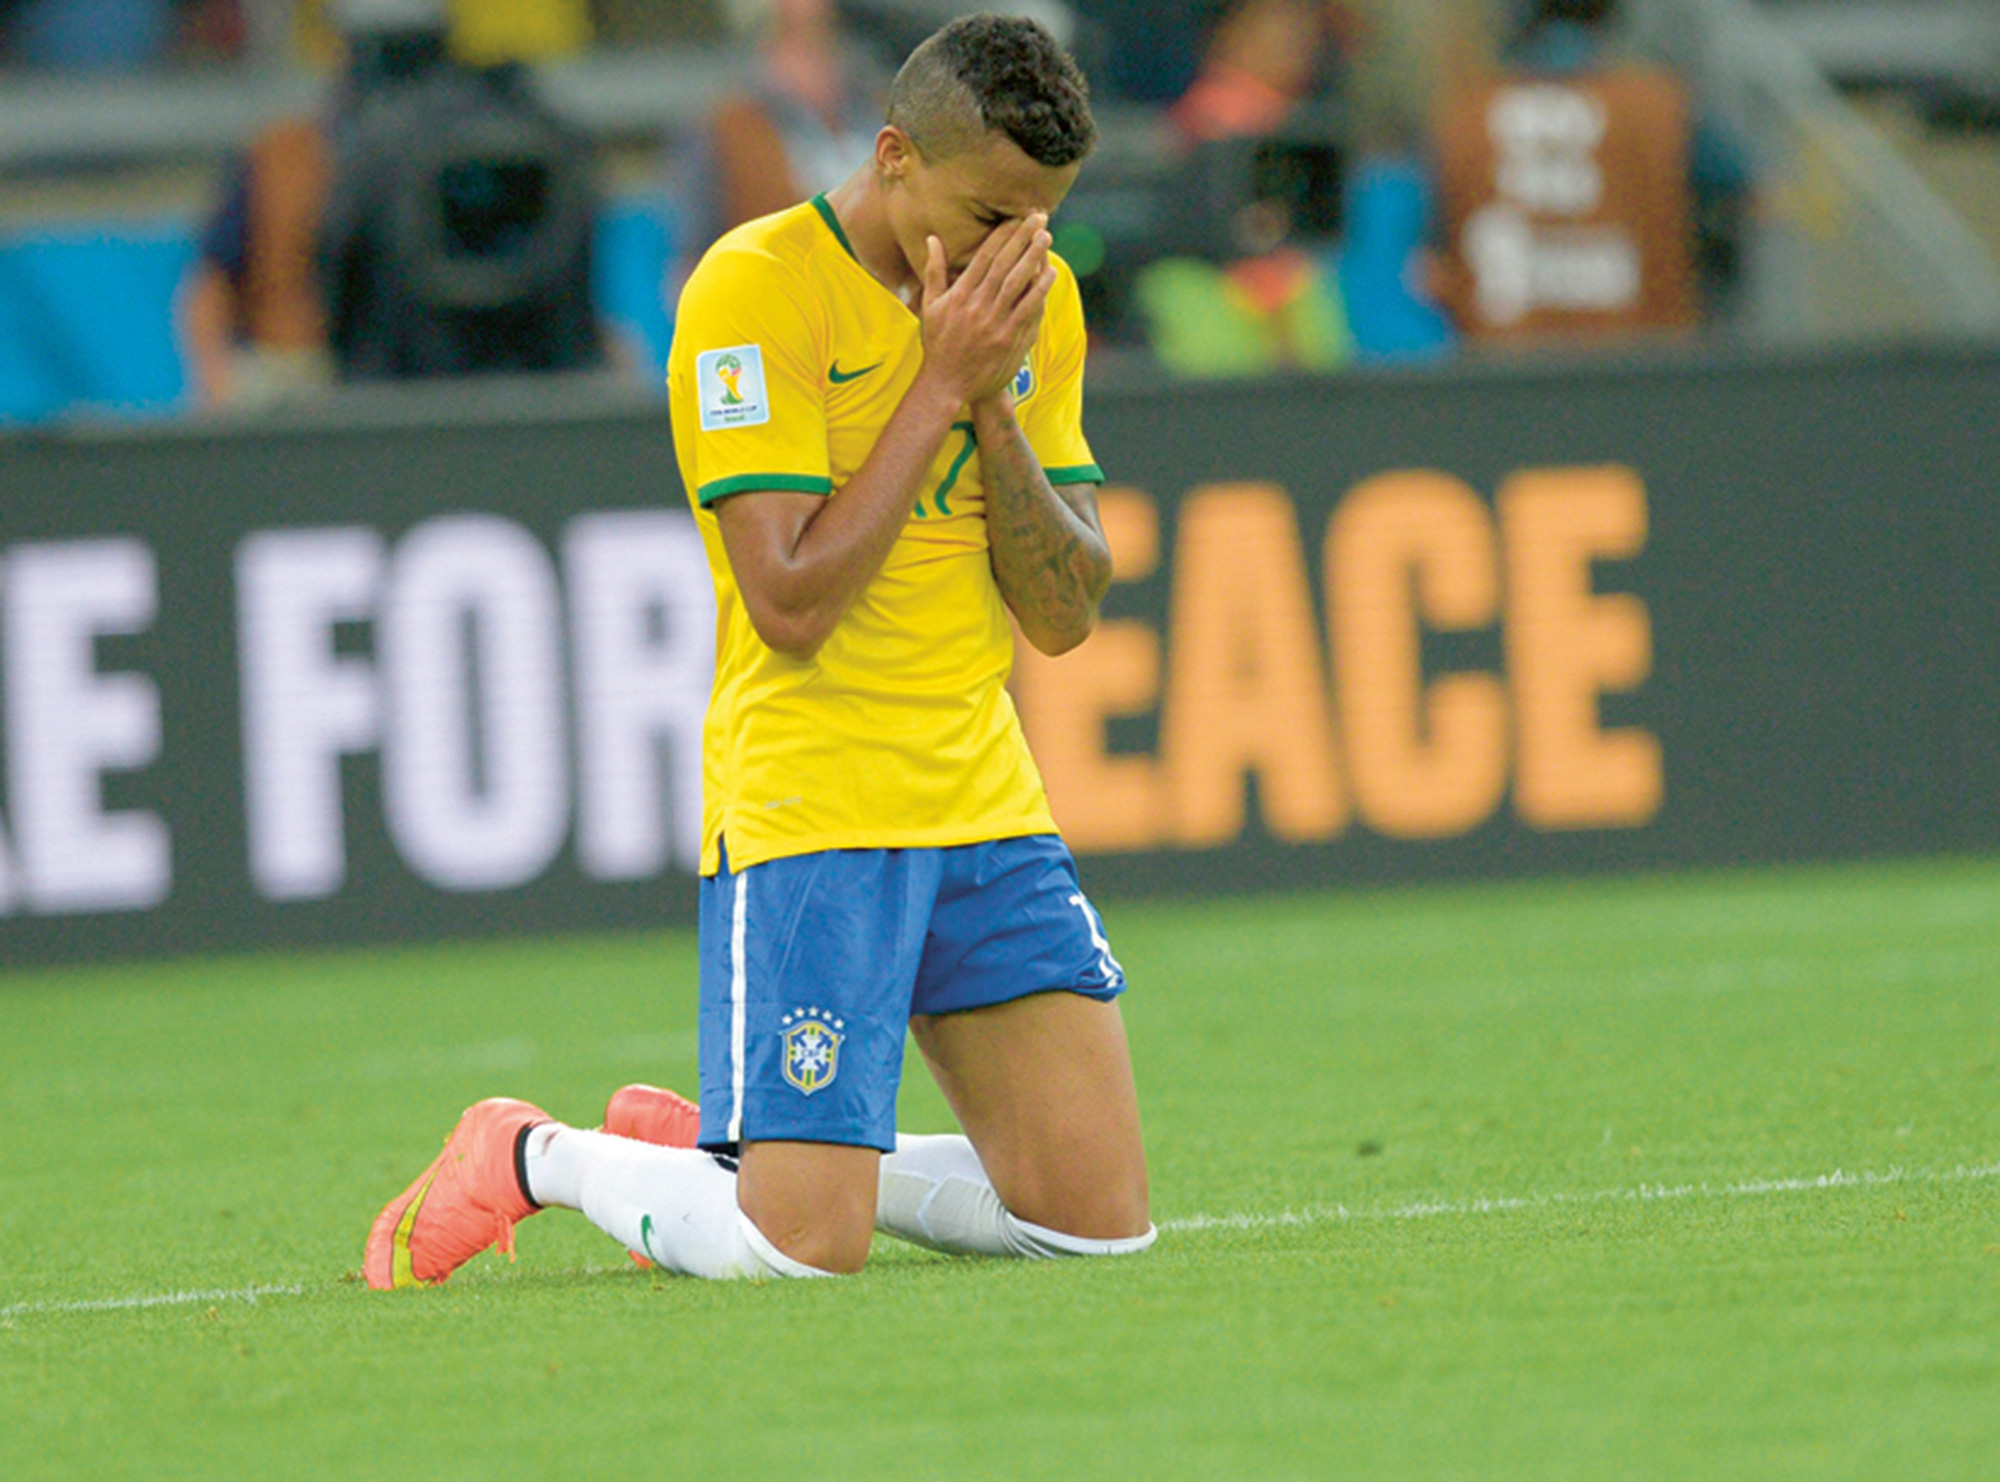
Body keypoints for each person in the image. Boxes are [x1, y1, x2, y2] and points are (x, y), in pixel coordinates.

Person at [364, 13, 1153, 1287]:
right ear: (893, 154)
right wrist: (938, 385)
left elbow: (1062, 615)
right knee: (798, 1251)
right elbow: (787, 600)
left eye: (1042, 218)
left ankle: (741, 1152)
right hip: (814, 803)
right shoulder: (754, 288)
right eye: (991, 210)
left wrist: (992, 406)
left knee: (1092, 1227)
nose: (1019, 247)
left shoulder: (1029, 306)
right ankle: (531, 1155)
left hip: (982, 797)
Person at [1429, 0, 1749, 342]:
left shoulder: (1464, 117)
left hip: (1498, 371)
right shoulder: (1661, 105)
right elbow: (1740, 188)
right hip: (1642, 367)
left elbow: (1425, 261)